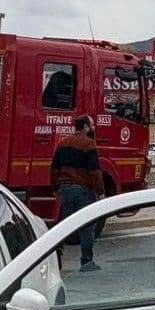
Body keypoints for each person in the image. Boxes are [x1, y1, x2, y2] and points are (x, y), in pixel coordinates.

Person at [51, 115, 103, 272]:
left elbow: (54, 168)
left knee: (66, 225)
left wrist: (55, 188)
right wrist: (100, 191)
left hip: (65, 189)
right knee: (87, 226)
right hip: (84, 190)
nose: (94, 128)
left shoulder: (63, 143)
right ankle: (86, 262)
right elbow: (94, 171)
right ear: (85, 127)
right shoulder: (89, 144)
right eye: (92, 125)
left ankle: (56, 255)